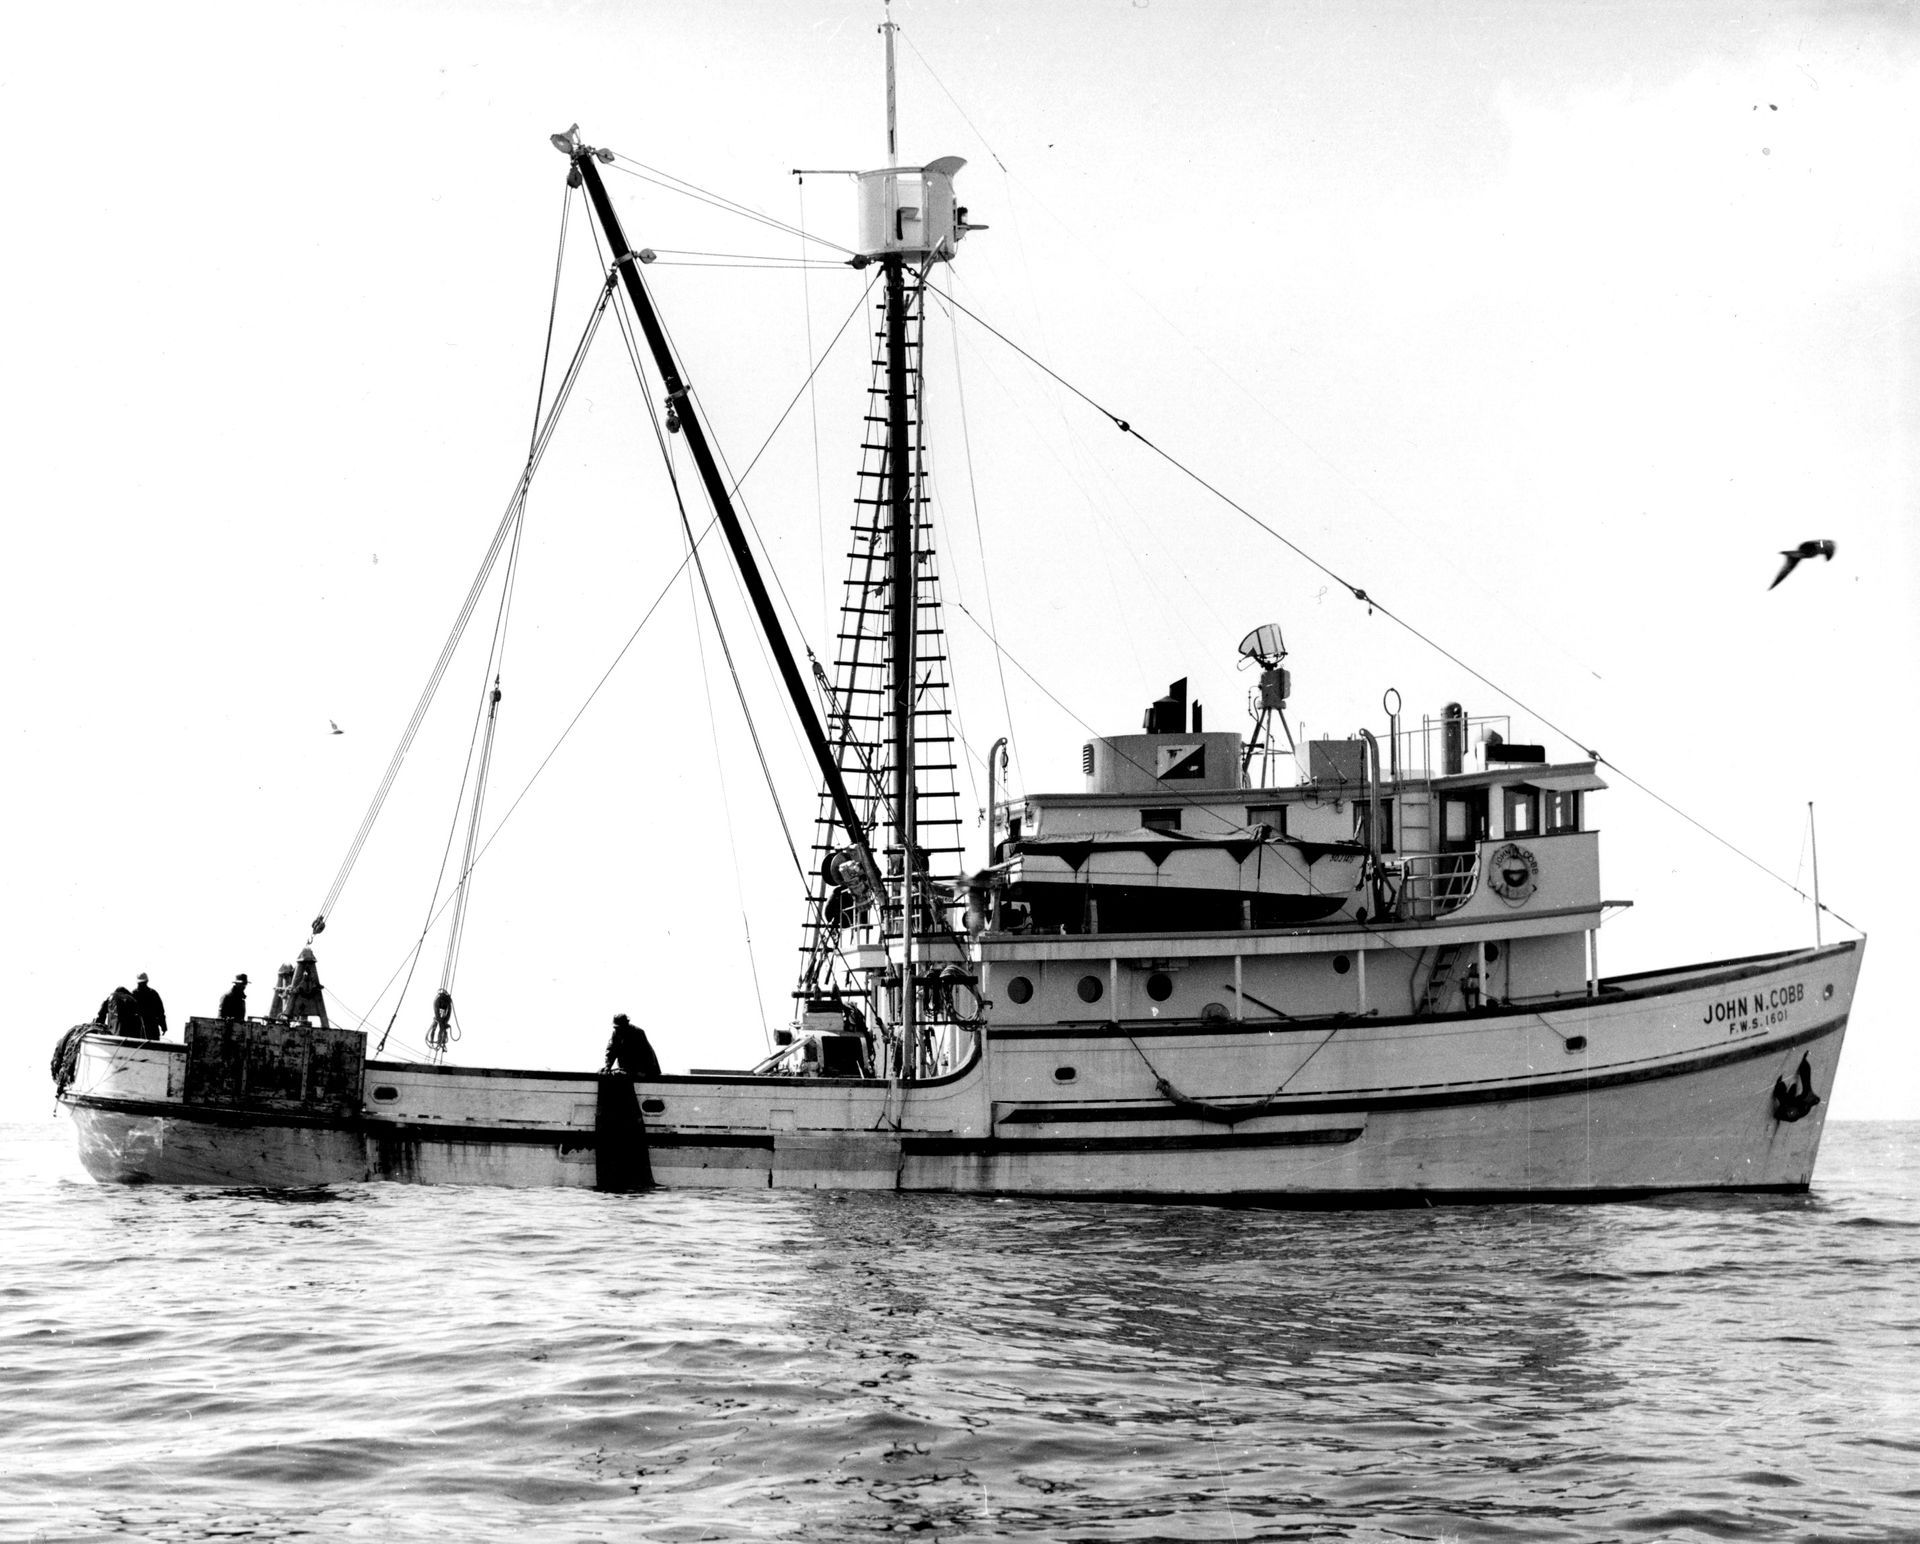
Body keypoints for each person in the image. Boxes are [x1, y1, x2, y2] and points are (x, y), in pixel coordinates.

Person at [602, 1013, 661, 1078]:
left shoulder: (638, 1033)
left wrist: (644, 1071)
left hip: (642, 1068)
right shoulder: (616, 1033)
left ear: (625, 1024)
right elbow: (611, 1051)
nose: (617, 1029)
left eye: (619, 1027)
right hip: (627, 1069)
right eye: (616, 1027)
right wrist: (607, 1067)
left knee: (620, 1075)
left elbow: (647, 1053)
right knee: (602, 1072)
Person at [130, 973, 167, 1040]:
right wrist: (163, 1026)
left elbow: (160, 1012)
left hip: (143, 1029)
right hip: (146, 1029)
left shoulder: (133, 994)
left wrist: (163, 1026)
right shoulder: (153, 993)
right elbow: (160, 1012)